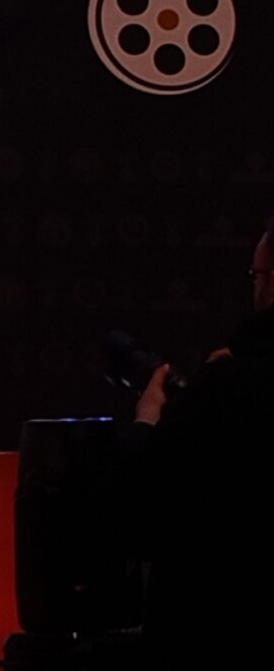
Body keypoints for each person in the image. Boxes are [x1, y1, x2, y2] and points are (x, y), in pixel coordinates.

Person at [124, 212, 274, 664]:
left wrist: (148, 423)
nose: (254, 286)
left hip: (214, 631)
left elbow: (145, 517)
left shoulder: (228, 388)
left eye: (257, 275)